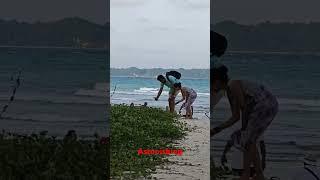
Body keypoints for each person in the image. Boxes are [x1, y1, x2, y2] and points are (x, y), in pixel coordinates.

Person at [211, 65, 278, 180]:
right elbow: (235, 117)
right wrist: (216, 130)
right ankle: (258, 175)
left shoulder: (233, 84)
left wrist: (244, 128)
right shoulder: (229, 92)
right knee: (249, 141)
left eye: (211, 84)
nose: (211, 88)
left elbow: (244, 106)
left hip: (264, 104)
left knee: (248, 140)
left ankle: (247, 175)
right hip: (266, 106)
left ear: (217, 82)